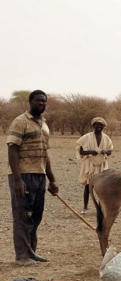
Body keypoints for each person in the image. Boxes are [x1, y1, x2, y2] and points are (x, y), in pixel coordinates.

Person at [6, 90, 58, 266]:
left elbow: (45, 154)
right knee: (22, 215)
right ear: (30, 102)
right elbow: (12, 150)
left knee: (36, 215)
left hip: (39, 174)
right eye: (38, 101)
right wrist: (17, 179)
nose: (41, 104)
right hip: (23, 174)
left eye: (44, 101)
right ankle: (22, 256)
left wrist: (52, 179)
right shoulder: (21, 121)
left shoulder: (44, 125)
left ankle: (31, 252)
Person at [75, 117, 113, 214]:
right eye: (97, 124)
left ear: (104, 126)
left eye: (101, 125)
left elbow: (110, 151)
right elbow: (81, 151)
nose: (99, 126)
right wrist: (91, 152)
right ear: (93, 125)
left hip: (102, 164)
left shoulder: (106, 138)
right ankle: (85, 207)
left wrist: (105, 152)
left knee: (102, 187)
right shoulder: (86, 137)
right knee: (88, 186)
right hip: (90, 164)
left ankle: (100, 208)